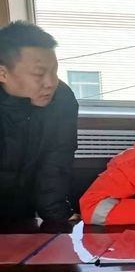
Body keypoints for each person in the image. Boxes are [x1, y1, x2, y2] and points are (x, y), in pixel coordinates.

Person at [0, 21, 78, 223]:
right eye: (39, 74)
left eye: (54, 71)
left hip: (23, 212)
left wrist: (58, 217)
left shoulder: (61, 99)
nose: (50, 83)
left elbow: (56, 162)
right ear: (3, 73)